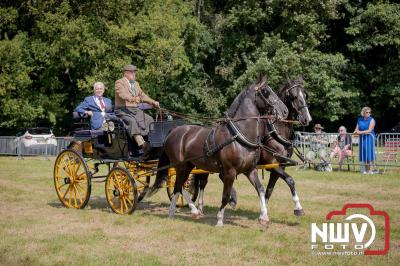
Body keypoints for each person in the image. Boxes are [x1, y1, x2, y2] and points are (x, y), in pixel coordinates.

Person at [114, 64, 160, 157]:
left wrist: (153, 102)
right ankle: (142, 145)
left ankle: (152, 143)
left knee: (149, 119)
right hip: (122, 110)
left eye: (134, 72)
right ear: (126, 73)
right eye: (133, 73)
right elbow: (122, 95)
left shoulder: (136, 83)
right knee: (132, 121)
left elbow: (142, 95)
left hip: (134, 109)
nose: (134, 74)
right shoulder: (119, 83)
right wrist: (133, 99)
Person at [354, 107, 376, 174]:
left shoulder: (372, 120)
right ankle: (365, 170)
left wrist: (359, 132)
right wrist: (356, 132)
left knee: (369, 153)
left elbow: (369, 130)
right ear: (363, 113)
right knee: (364, 153)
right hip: (362, 138)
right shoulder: (359, 119)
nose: (368, 114)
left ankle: (370, 170)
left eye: (370, 112)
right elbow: (356, 130)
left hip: (369, 138)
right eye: (367, 112)